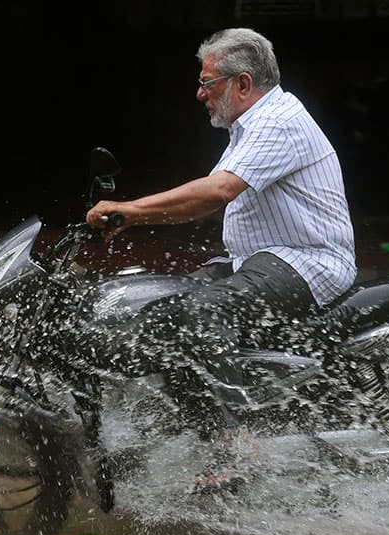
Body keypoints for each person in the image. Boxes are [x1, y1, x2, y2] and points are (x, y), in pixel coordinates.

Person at [85, 27, 357, 488]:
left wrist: (130, 208)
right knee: (161, 310)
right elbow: (206, 203)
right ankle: (191, 430)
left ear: (243, 84)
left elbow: (218, 191)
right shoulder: (249, 128)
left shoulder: (278, 123)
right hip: (258, 260)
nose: (199, 93)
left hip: (309, 261)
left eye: (207, 83)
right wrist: (131, 221)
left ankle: (239, 445)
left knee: (203, 312)